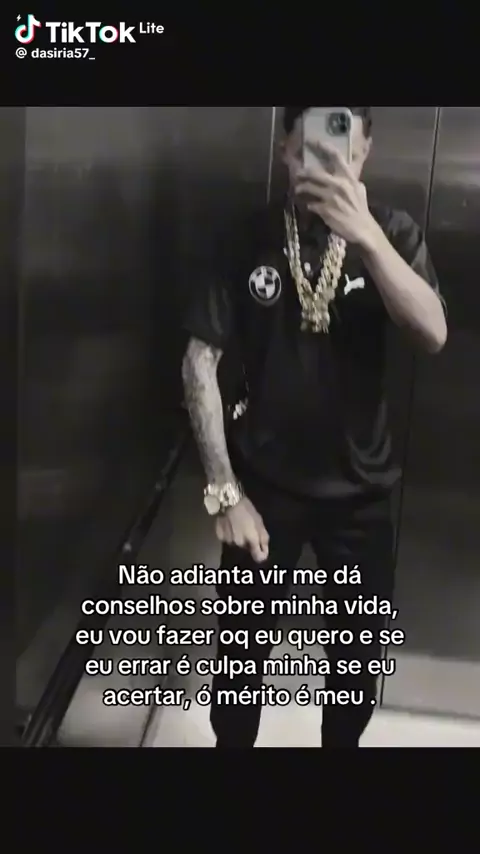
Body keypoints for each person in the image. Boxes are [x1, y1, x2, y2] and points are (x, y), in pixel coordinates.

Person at [181, 106, 447, 748]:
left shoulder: (394, 232)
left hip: (361, 494)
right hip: (263, 488)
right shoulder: (246, 237)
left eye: (338, 153)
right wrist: (225, 494)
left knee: (355, 674)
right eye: (308, 152)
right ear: (283, 151)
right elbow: (198, 362)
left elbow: (433, 333)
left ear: (364, 154)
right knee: (237, 669)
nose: (322, 167)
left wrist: (368, 239)